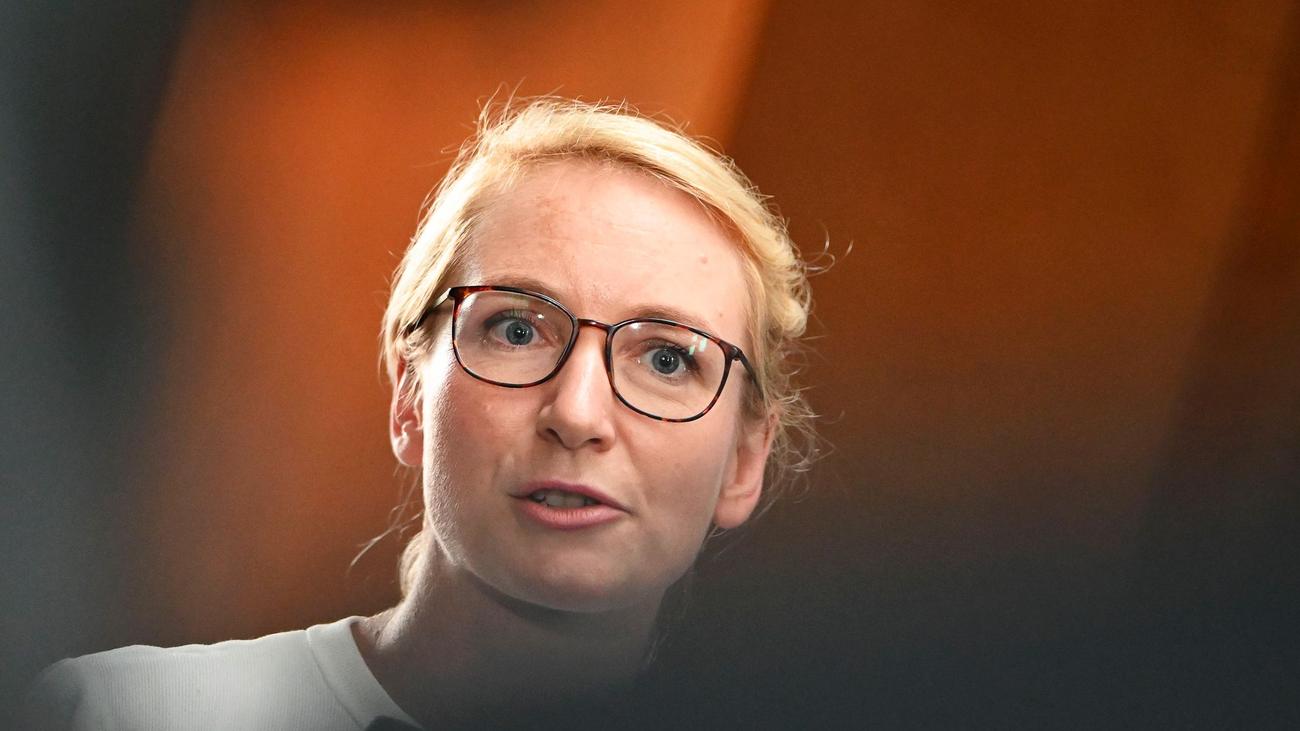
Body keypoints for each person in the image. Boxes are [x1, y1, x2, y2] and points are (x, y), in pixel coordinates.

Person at [25, 97, 816, 730]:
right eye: (516, 330)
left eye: (668, 358)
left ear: (744, 461)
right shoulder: (123, 715)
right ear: (410, 394)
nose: (577, 414)